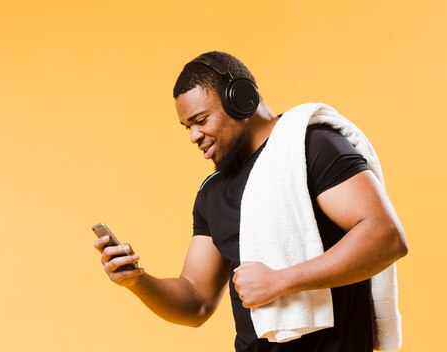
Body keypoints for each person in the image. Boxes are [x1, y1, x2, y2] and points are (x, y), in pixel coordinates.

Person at [92, 51, 408, 352]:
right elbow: (196, 301)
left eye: (201, 120)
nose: (194, 136)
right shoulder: (212, 193)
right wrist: (137, 281)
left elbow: (386, 236)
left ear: (241, 99)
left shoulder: (311, 148)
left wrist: (281, 281)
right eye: (188, 127)